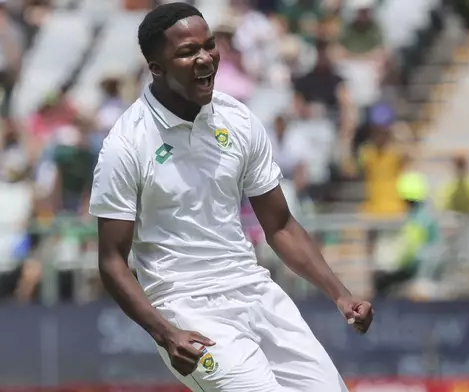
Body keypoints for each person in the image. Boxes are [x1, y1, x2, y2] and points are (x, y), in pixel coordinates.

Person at [88, 4, 372, 392]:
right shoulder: (127, 144)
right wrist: (165, 332)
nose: (205, 58)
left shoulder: (237, 119)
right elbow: (111, 262)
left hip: (254, 289)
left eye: (209, 45)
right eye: (188, 52)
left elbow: (281, 225)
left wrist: (341, 295)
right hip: (187, 308)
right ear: (156, 67)